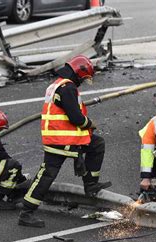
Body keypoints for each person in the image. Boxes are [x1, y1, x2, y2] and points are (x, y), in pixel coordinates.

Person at [18, 55, 111, 228]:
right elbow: (75, 117)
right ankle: (27, 213)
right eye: (83, 79)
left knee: (48, 174)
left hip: (59, 138)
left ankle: (90, 184)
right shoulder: (67, 88)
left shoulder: (57, 85)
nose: (82, 82)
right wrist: (90, 124)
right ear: (78, 73)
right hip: (62, 140)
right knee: (47, 176)